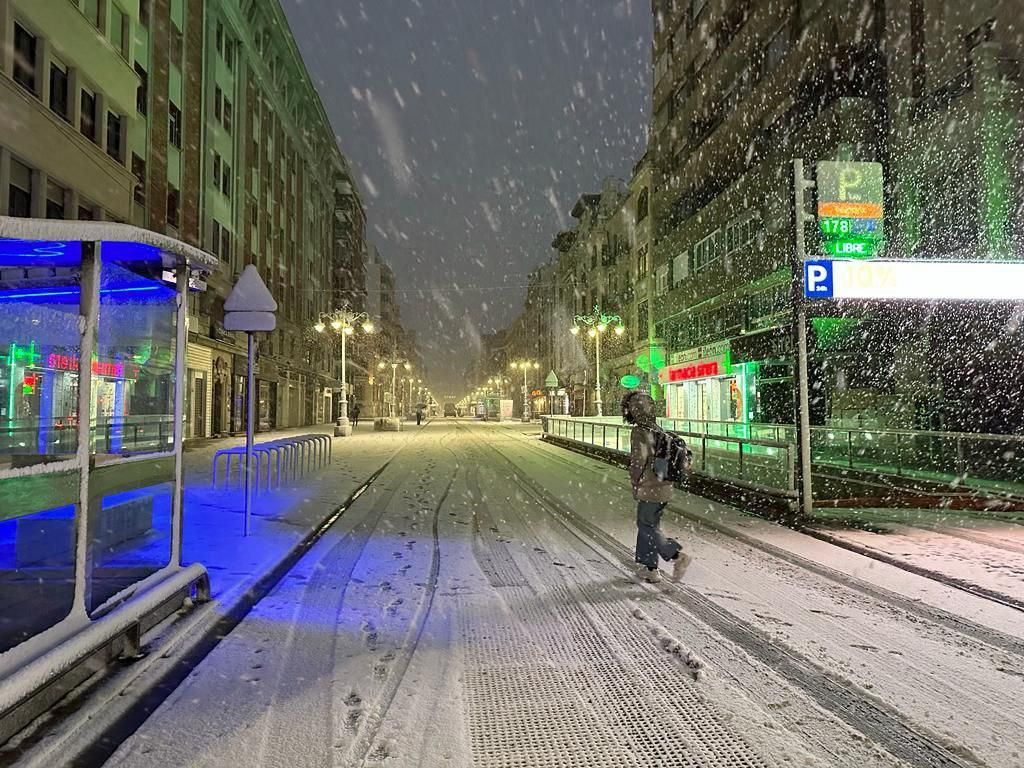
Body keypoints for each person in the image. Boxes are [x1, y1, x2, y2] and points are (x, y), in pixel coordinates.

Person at [622, 391, 691, 584]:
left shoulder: (639, 432)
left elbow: (638, 460)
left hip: (650, 485)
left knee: (646, 526)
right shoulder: (657, 428)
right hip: (665, 485)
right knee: (650, 525)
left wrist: (635, 481)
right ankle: (650, 568)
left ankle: (677, 556)